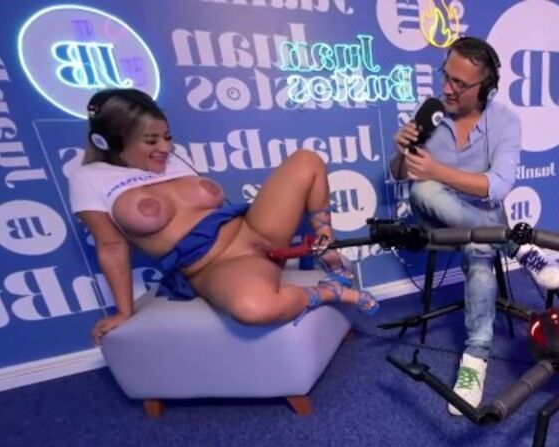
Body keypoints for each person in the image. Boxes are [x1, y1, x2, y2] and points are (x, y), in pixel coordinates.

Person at [68, 88, 377, 346]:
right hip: (216, 265)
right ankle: (330, 291)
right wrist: (123, 311)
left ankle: (326, 250)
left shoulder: (173, 160)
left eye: (167, 137)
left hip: (253, 229)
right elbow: (111, 247)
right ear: (109, 142)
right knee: (254, 309)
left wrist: (322, 239)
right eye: (151, 141)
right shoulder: (90, 178)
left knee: (306, 160)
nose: (165, 147)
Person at [388, 37, 559, 416]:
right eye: (446, 77)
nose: (448, 89)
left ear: (486, 87)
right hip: (435, 215)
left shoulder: (506, 122)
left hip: (483, 221)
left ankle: (475, 359)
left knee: (479, 249)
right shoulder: (432, 115)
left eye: (460, 83)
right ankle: (516, 246)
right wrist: (402, 153)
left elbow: (499, 186)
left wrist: (438, 170)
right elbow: (401, 175)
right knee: (424, 190)